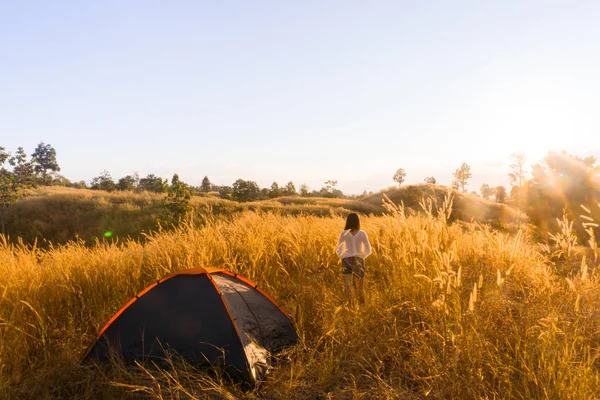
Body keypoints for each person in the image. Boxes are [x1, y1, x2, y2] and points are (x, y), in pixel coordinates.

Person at [336, 213, 372, 302]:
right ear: (357, 221)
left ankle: (348, 305)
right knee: (360, 286)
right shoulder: (362, 233)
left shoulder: (343, 233)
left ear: (348, 221)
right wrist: (362, 257)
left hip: (346, 260)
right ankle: (361, 306)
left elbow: (338, 248)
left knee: (347, 286)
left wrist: (342, 256)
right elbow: (368, 249)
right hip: (358, 260)